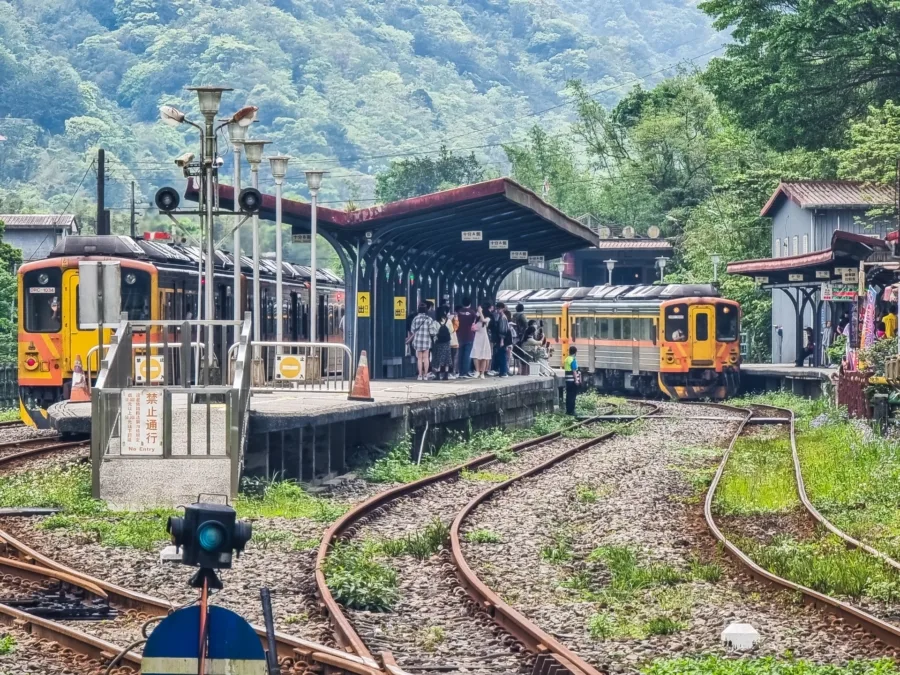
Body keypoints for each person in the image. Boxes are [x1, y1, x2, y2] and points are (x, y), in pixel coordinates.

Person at [409, 303, 437, 380]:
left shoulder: (415, 319)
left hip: (417, 341)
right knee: (426, 358)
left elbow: (412, 330)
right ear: (426, 310)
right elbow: (432, 332)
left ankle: (420, 375)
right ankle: (425, 375)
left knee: (419, 359)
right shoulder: (429, 319)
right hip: (426, 341)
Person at [456, 296, 477, 378]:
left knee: (460, 354)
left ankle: (460, 372)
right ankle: (466, 372)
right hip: (469, 335)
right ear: (470, 303)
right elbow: (474, 324)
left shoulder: (459, 312)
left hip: (459, 335)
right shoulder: (472, 313)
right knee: (467, 355)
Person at [471, 303, 493, 378]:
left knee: (484, 356)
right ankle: (477, 370)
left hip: (484, 337)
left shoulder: (488, 318)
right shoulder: (476, 318)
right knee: (475, 355)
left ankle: (482, 372)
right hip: (477, 337)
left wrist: (480, 312)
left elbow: (483, 320)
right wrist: (478, 313)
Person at [433, 307, 454, 380]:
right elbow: (452, 330)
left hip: (438, 342)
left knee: (438, 357)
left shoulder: (435, 322)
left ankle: (438, 375)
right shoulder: (448, 321)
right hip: (447, 342)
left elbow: (433, 332)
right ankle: (446, 375)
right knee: (447, 358)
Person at [491, 302, 510, 377]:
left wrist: (502, 340)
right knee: (500, 354)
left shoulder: (503, 318)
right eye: (497, 308)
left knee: (502, 355)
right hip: (500, 338)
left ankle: (503, 371)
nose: (498, 310)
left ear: (503, 308)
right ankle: (502, 371)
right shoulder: (501, 316)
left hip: (502, 339)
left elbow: (502, 330)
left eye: (499, 308)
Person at [563, 345, 579, 415]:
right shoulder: (573, 360)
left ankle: (568, 411)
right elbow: (574, 371)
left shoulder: (566, 359)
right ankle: (572, 411)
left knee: (568, 396)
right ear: (575, 352)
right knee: (573, 396)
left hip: (567, 380)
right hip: (572, 381)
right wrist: (576, 380)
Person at [449, 306, 461, 379]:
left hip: (448, 341)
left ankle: (450, 371)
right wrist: (456, 320)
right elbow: (454, 329)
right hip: (453, 341)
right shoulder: (452, 319)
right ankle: (453, 371)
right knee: (454, 357)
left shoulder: (446, 318)